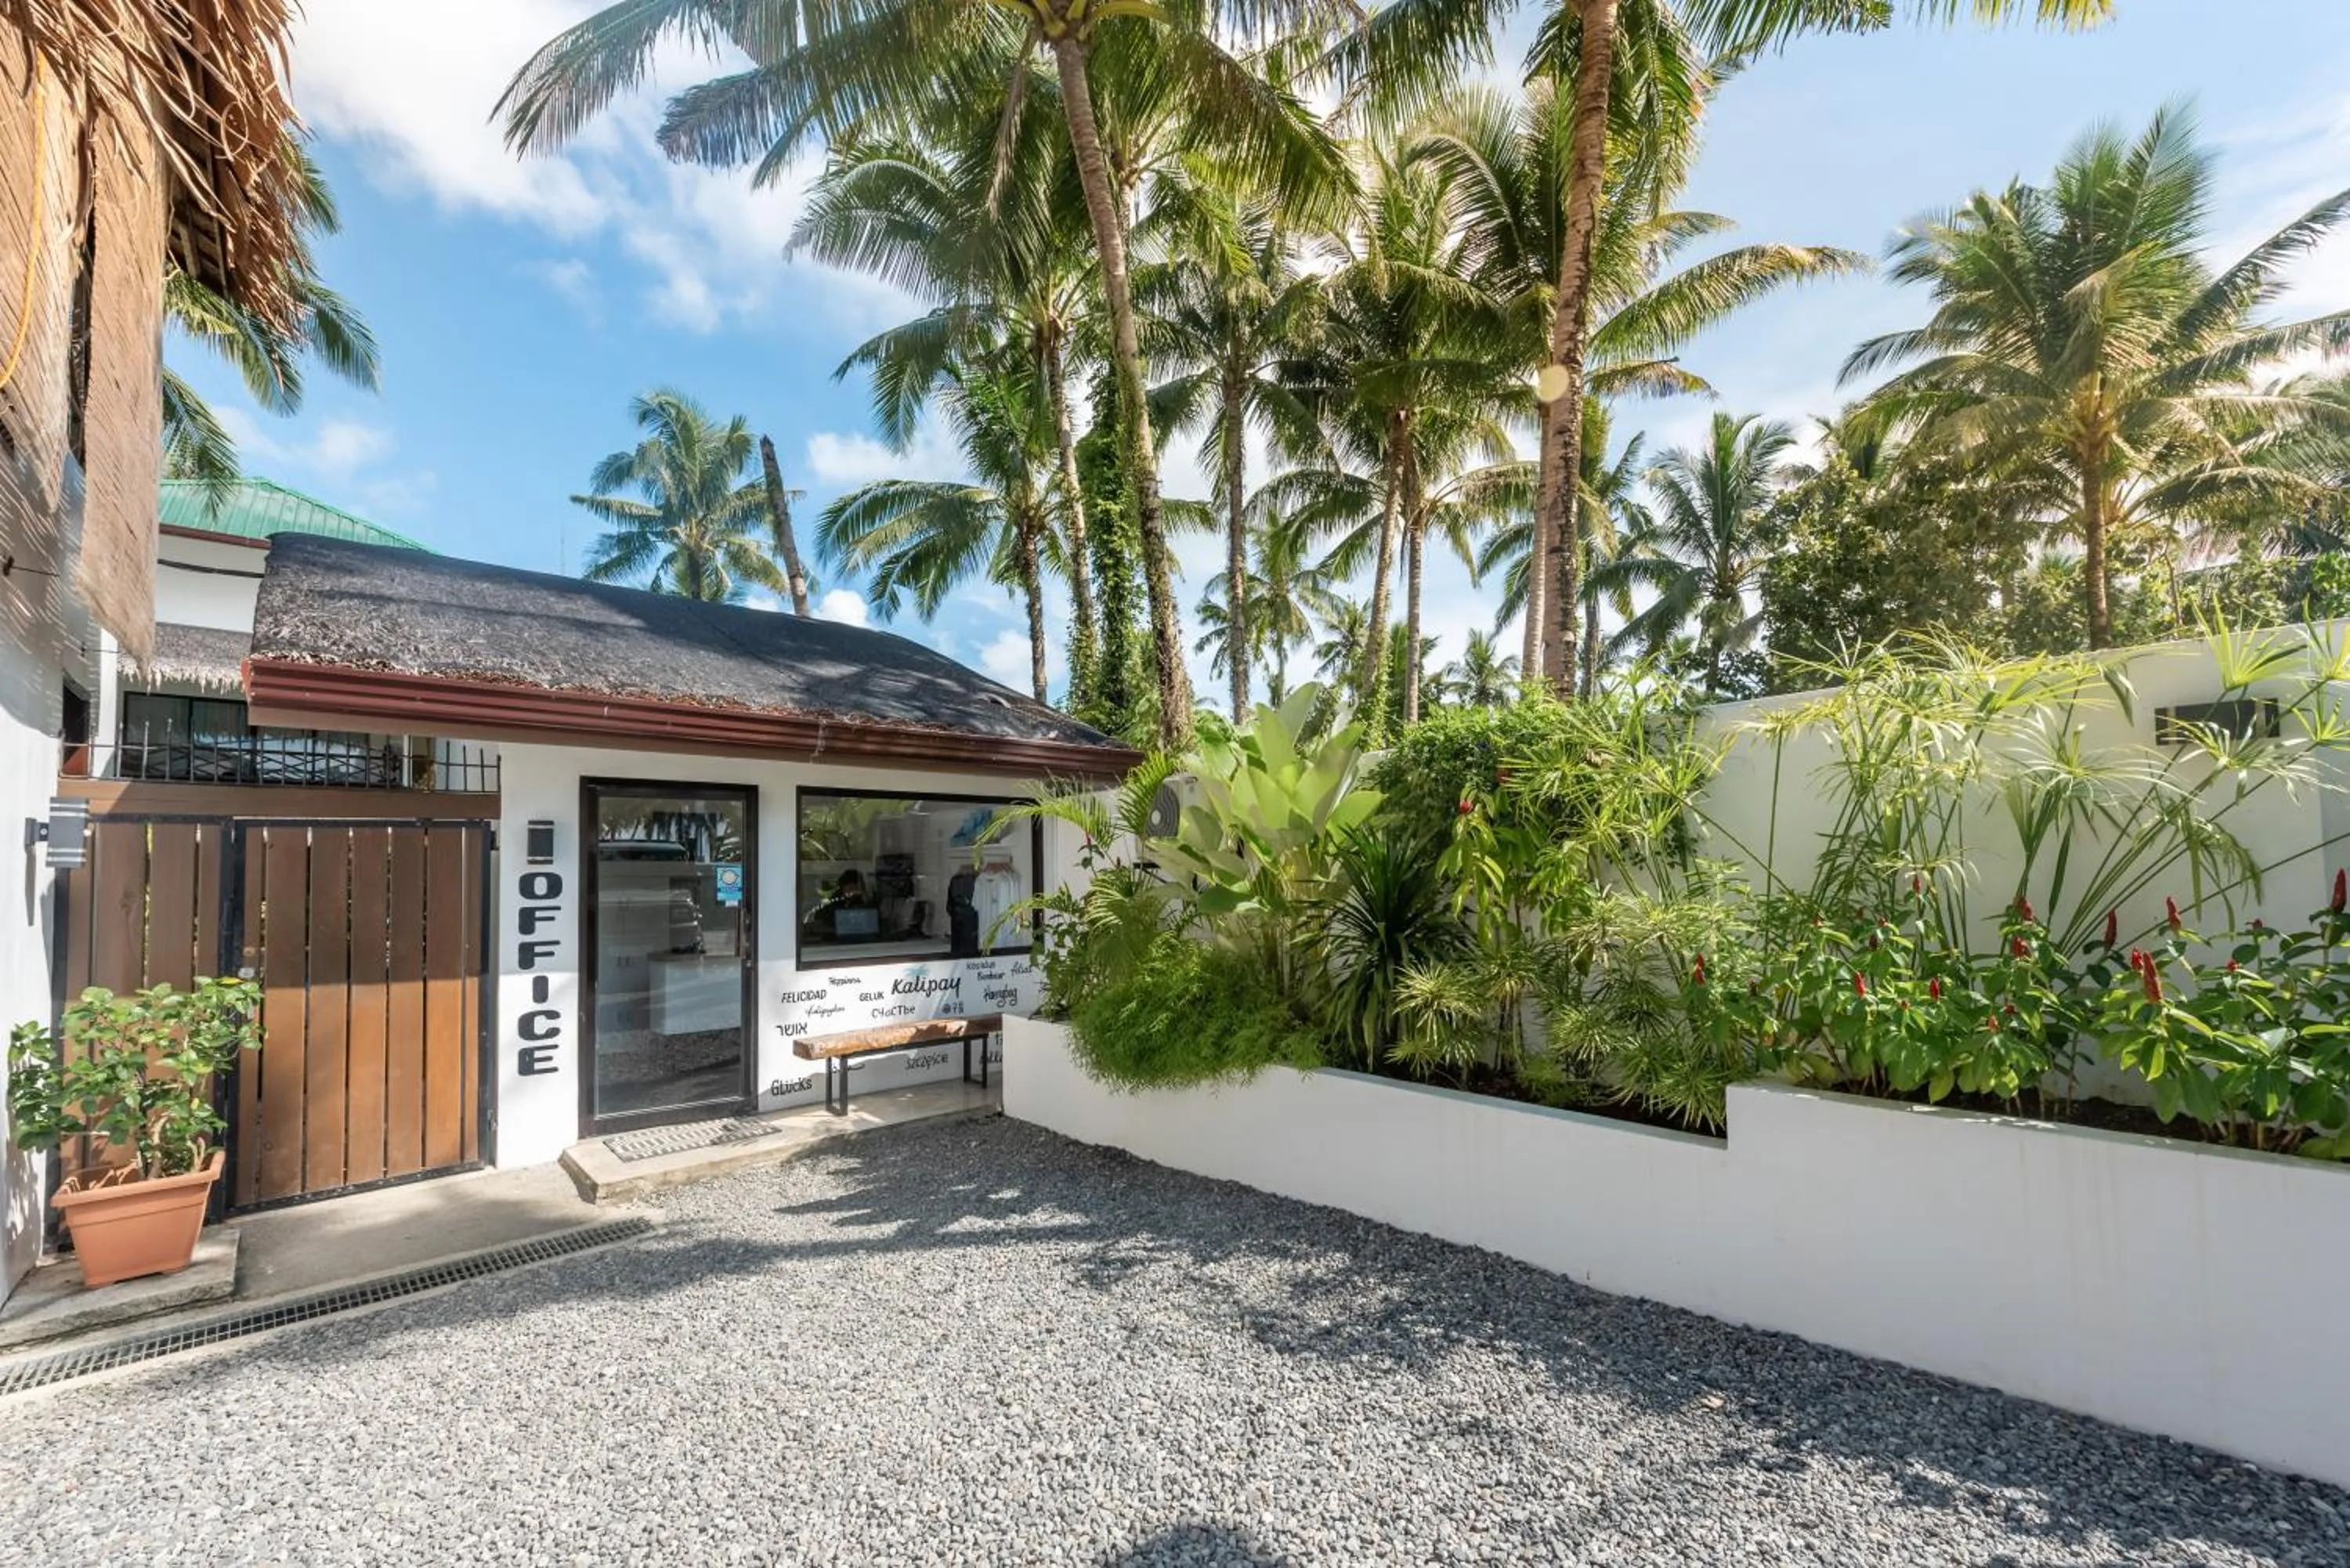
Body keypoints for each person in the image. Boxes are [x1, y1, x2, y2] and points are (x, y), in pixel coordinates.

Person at [804, 868, 876, 943]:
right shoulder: (833, 903)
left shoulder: (866, 903)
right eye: (850, 888)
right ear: (842, 887)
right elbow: (820, 920)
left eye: (856, 888)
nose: (853, 892)